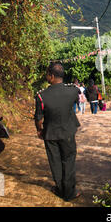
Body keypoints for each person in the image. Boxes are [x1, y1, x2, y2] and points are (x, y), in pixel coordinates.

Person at [34, 62, 82, 201]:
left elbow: (38, 118)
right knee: (68, 161)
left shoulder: (41, 96)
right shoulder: (73, 90)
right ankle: (69, 192)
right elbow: (74, 101)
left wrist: (39, 130)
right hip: (68, 132)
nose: (46, 76)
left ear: (52, 76)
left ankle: (61, 189)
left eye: (47, 74)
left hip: (50, 133)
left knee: (55, 162)